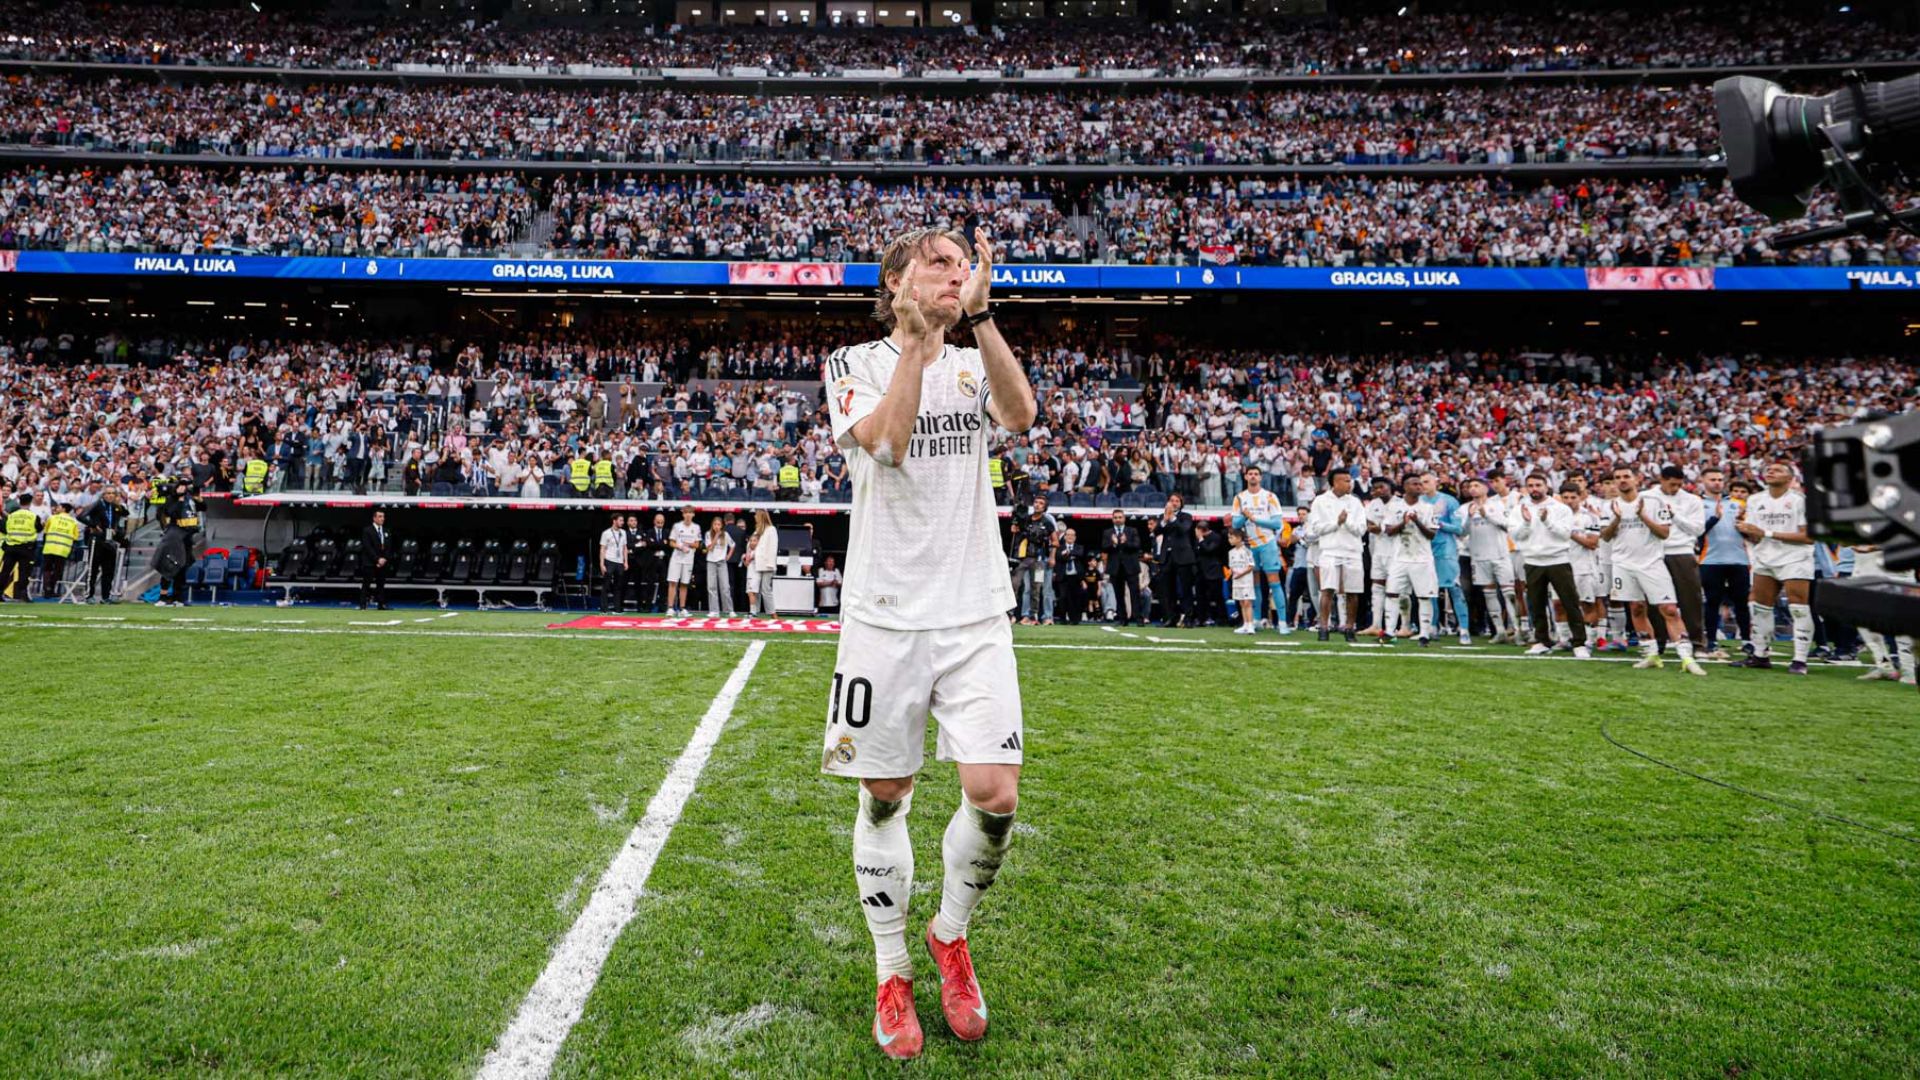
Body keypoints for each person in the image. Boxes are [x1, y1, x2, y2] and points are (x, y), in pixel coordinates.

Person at [819, 225, 1033, 1060]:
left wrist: (980, 321)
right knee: (884, 792)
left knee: (995, 793)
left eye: (961, 263)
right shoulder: (853, 363)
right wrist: (915, 343)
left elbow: (1020, 416)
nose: (956, 273)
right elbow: (889, 442)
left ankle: (949, 936)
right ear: (897, 280)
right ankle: (891, 969)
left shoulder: (977, 359)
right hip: (882, 615)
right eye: (939, 264)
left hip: (974, 610)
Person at [1600, 467, 1705, 675]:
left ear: (1637, 479)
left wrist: (1643, 516)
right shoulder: (1609, 506)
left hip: (1652, 563)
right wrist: (1617, 520)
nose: (1622, 481)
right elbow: (1605, 536)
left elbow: (1664, 533)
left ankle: (1687, 657)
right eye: (1617, 478)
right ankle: (1651, 653)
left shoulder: (1655, 502)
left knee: (1669, 609)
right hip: (1622, 563)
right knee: (1636, 608)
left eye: (1626, 476)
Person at [1732, 460, 1816, 674]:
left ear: (1790, 478)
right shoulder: (1755, 499)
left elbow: (1808, 537)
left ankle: (1799, 660)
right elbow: (1755, 534)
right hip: (1765, 557)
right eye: (1769, 469)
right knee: (1760, 608)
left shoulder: (1800, 501)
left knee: (1798, 608)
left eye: (1778, 470)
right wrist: (1743, 528)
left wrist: (1766, 533)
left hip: (1795, 558)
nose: (1771, 471)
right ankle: (1760, 655)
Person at [1509, 474, 1590, 658]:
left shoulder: (1561, 508)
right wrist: (1527, 523)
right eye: (1530, 485)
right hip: (1532, 560)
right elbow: (1515, 535)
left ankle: (1579, 643)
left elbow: (1564, 535)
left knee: (1570, 602)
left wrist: (1547, 521)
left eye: (1538, 485)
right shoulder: (1519, 509)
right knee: (1536, 604)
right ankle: (1542, 641)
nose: (1534, 489)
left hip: (1558, 560)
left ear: (1547, 486)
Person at [1305, 470, 1367, 642]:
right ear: (1335, 482)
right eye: (1346, 481)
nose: (1350, 483)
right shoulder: (1320, 501)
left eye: (1350, 480)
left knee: (1353, 592)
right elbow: (1316, 528)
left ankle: (1349, 628)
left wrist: (1346, 522)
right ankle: (1323, 628)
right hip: (1330, 550)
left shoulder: (1355, 502)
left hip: (1352, 551)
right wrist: (1336, 523)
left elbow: (1361, 529)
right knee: (1327, 590)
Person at [1656, 465, 1708, 654]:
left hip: (1682, 551)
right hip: (1654, 552)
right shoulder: (1647, 497)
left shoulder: (1692, 500)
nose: (1675, 488)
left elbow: (1698, 529)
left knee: (1690, 600)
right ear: (1661, 479)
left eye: (1678, 485)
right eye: (1671, 484)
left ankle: (1697, 643)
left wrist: (1675, 516)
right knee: (1656, 600)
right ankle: (1658, 642)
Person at [1699, 471, 1752, 659]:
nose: (1717, 483)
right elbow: (1695, 533)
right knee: (1712, 602)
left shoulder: (1738, 505)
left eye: (1720, 480)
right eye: (1712, 480)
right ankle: (1711, 640)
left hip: (1739, 559)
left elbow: (1750, 533)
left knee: (1742, 602)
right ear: (1703, 481)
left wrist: (1745, 526)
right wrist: (1714, 519)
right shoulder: (1698, 505)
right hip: (1710, 560)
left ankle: (1747, 640)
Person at [1231, 464, 1289, 633]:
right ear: (1246, 477)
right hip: (1250, 545)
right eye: (1250, 474)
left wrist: (1255, 519)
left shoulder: (1270, 496)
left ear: (1261, 477)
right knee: (1253, 584)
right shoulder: (1239, 498)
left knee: (1274, 582)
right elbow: (1235, 523)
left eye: (1256, 474)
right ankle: (1255, 620)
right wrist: (1245, 517)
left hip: (1267, 543)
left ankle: (1283, 622)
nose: (1254, 476)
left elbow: (1277, 523)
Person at [1382, 474, 1438, 645]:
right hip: (1399, 557)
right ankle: (1389, 632)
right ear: (1405, 487)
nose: (1419, 487)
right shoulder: (1394, 506)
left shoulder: (1428, 508)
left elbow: (1432, 534)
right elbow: (1388, 531)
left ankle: (1424, 634)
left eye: (1420, 484)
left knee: (1424, 596)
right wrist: (1403, 523)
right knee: (1392, 593)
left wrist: (1417, 521)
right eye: (1414, 484)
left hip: (1422, 558)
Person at [1463, 477, 1518, 642]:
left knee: (1509, 593)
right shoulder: (1465, 508)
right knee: (1489, 594)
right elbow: (1461, 533)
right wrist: (1468, 517)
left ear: (1486, 488)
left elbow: (1508, 526)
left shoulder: (1498, 505)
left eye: (1476, 485)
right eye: (1470, 486)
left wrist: (1487, 515)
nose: (1472, 488)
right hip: (1479, 557)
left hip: (1500, 555)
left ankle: (1517, 630)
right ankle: (1499, 631)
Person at [79, 486, 129, 603]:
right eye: (107, 493)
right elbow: (80, 516)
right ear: (103, 495)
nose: (110, 495)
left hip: (110, 540)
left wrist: (116, 530)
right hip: (97, 538)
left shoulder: (115, 507)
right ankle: (89, 596)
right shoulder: (98, 504)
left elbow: (126, 513)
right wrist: (93, 525)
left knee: (109, 570)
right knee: (93, 569)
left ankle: (105, 597)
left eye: (112, 493)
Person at [1155, 493, 1198, 627]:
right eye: (1171, 501)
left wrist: (1172, 518)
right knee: (1167, 590)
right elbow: (1156, 531)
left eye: (1176, 501)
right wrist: (1164, 520)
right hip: (1167, 558)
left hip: (1183, 557)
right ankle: (1171, 617)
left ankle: (1188, 618)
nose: (1173, 503)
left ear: (1181, 503)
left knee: (1185, 589)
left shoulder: (1186, 517)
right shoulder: (1163, 517)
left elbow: (1183, 529)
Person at [1101, 509, 1144, 625]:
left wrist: (1125, 543)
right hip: (1115, 567)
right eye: (1115, 517)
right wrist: (1113, 543)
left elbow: (1137, 545)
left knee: (1135, 594)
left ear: (1124, 518)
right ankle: (1122, 619)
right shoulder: (1108, 532)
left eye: (1120, 517)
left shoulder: (1132, 531)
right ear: (1112, 519)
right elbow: (1104, 547)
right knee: (1118, 595)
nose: (1118, 519)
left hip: (1131, 567)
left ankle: (1139, 619)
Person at [2, 491, 42, 601]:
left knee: (5, 571)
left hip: (11, 546)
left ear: (20, 502)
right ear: (30, 502)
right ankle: (23, 594)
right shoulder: (33, 516)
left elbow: (7, 529)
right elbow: (39, 529)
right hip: (26, 548)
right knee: (24, 572)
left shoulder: (12, 516)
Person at [40, 502, 82, 600]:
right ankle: (51, 589)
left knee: (47, 569)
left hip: (49, 548)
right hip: (63, 550)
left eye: (59, 507)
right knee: (57, 570)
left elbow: (45, 532)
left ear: (63, 509)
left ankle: (46, 589)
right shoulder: (74, 522)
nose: (56, 508)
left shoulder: (52, 518)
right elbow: (75, 537)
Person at [665, 506, 701, 616]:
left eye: (690, 513)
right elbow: (671, 542)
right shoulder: (677, 526)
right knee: (673, 582)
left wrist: (688, 545)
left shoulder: (696, 527)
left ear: (693, 514)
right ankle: (670, 608)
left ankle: (682, 609)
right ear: (683, 514)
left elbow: (697, 544)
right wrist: (680, 547)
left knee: (684, 583)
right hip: (676, 558)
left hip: (688, 559)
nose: (688, 515)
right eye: (686, 513)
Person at [1193, 519, 1228, 627]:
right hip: (1201, 572)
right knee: (1200, 596)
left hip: (1213, 571)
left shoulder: (1216, 537)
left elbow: (1209, 550)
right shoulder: (1197, 540)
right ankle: (1202, 618)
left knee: (1217, 597)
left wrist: (1201, 539)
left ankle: (1222, 619)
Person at [358, 510, 394, 610]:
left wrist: (384, 559)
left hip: (382, 563)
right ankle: (363, 605)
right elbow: (368, 547)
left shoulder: (386, 531)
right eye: (380, 516)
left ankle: (381, 604)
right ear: (374, 518)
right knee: (366, 584)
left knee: (381, 584)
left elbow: (388, 547)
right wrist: (377, 559)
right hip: (370, 562)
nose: (382, 518)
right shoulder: (367, 530)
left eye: (383, 517)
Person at [702, 515, 736, 618]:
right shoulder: (708, 534)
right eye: (715, 524)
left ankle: (729, 610)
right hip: (711, 562)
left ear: (722, 525)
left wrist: (728, 556)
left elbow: (733, 545)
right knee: (712, 587)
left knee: (725, 587)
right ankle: (714, 610)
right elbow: (710, 548)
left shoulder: (725, 534)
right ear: (712, 525)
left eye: (719, 524)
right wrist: (716, 536)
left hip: (722, 562)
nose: (717, 526)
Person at [1053, 528, 1089, 625]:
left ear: (1075, 537)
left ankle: (1075, 619)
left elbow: (1080, 554)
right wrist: (1071, 556)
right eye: (1068, 534)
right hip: (1063, 576)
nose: (1070, 537)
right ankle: (1063, 619)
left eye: (1072, 535)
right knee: (1063, 597)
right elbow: (1059, 557)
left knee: (1075, 598)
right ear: (1064, 536)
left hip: (1076, 577)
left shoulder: (1079, 547)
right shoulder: (1059, 547)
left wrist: (1068, 554)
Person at [637, 511, 669, 613]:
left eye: (662, 522)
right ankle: (648, 607)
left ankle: (662, 607)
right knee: (650, 584)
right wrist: (661, 544)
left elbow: (667, 545)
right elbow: (649, 545)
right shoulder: (649, 532)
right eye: (658, 522)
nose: (660, 524)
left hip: (663, 561)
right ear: (654, 521)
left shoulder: (667, 532)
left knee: (664, 584)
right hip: (652, 562)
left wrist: (655, 544)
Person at [1229, 527, 1259, 633]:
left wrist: (1241, 574)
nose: (1230, 540)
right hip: (1236, 581)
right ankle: (1245, 624)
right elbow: (1231, 566)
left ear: (1238, 538)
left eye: (1231, 538)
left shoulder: (1247, 551)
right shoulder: (1231, 552)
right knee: (1241, 602)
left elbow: (1251, 566)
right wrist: (1234, 573)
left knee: (1247, 603)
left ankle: (1251, 625)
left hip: (1246, 581)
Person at [598, 513, 629, 614]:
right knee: (606, 585)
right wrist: (602, 564)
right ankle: (604, 609)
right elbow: (602, 549)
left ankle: (617, 608)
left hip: (619, 562)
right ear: (614, 521)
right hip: (609, 560)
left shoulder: (623, 532)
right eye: (620, 520)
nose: (622, 523)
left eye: (623, 521)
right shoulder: (606, 533)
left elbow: (625, 548)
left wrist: (626, 561)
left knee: (618, 586)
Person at [751, 508, 779, 615]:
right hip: (757, 565)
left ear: (761, 516)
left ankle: (773, 614)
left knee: (766, 590)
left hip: (767, 565)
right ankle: (755, 612)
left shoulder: (771, 529)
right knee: (754, 589)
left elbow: (773, 548)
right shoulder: (757, 530)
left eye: (756, 515)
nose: (754, 517)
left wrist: (770, 564)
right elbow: (754, 547)